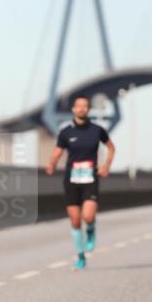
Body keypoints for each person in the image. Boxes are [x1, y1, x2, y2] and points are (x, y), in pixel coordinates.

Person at [46, 95, 115, 270]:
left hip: (90, 178)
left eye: (85, 106)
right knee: (75, 221)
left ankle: (90, 229)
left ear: (88, 109)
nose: (82, 109)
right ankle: (80, 256)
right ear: (73, 109)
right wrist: (52, 163)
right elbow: (57, 152)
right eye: (79, 106)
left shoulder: (97, 130)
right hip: (71, 179)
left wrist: (106, 165)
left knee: (88, 216)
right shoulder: (66, 132)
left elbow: (111, 147)